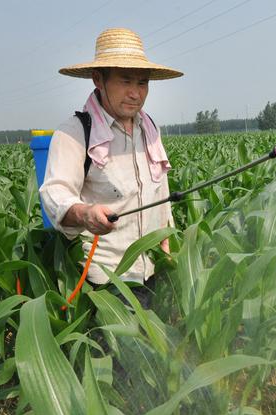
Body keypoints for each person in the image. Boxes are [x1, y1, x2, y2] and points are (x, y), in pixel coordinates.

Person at [39, 28, 183, 306]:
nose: (135, 93)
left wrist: (168, 235)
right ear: (98, 79)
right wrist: (85, 213)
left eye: (142, 83)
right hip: (108, 282)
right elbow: (55, 194)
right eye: (125, 80)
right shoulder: (75, 133)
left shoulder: (149, 128)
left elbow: (160, 189)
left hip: (154, 269)